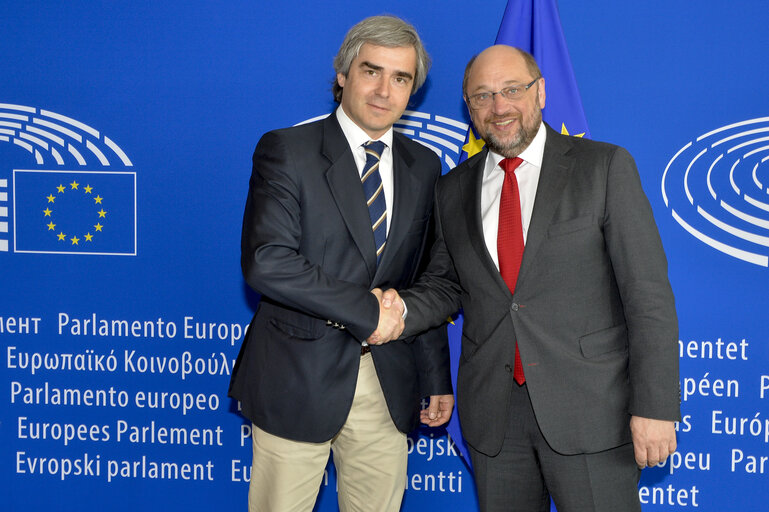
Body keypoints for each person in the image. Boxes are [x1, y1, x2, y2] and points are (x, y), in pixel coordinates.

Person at [377, 44, 680, 511]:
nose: (499, 107)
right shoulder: (452, 188)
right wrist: (398, 309)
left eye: (512, 90)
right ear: (469, 108)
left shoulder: (603, 167)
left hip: (592, 413)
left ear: (540, 92)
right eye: (482, 96)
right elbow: (445, 285)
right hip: (495, 420)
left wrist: (656, 408)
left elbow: (648, 297)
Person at [228, 15, 454, 512]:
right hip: (297, 379)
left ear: (413, 90)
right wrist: (367, 311)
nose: (383, 90)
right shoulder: (288, 150)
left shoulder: (424, 165)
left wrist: (436, 377)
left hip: (388, 383)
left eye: (401, 78)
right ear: (342, 74)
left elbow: (424, 277)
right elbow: (268, 261)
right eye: (371, 71)